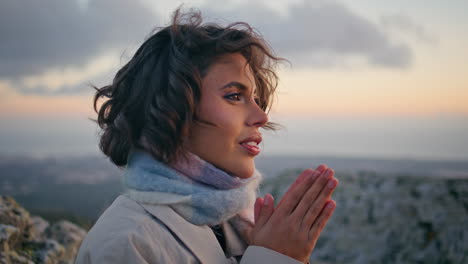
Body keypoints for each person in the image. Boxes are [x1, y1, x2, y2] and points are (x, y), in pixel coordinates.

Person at [75, 7, 338, 264]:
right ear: (171, 109)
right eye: (235, 96)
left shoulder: (240, 224)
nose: (261, 117)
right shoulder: (126, 245)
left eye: (256, 99)